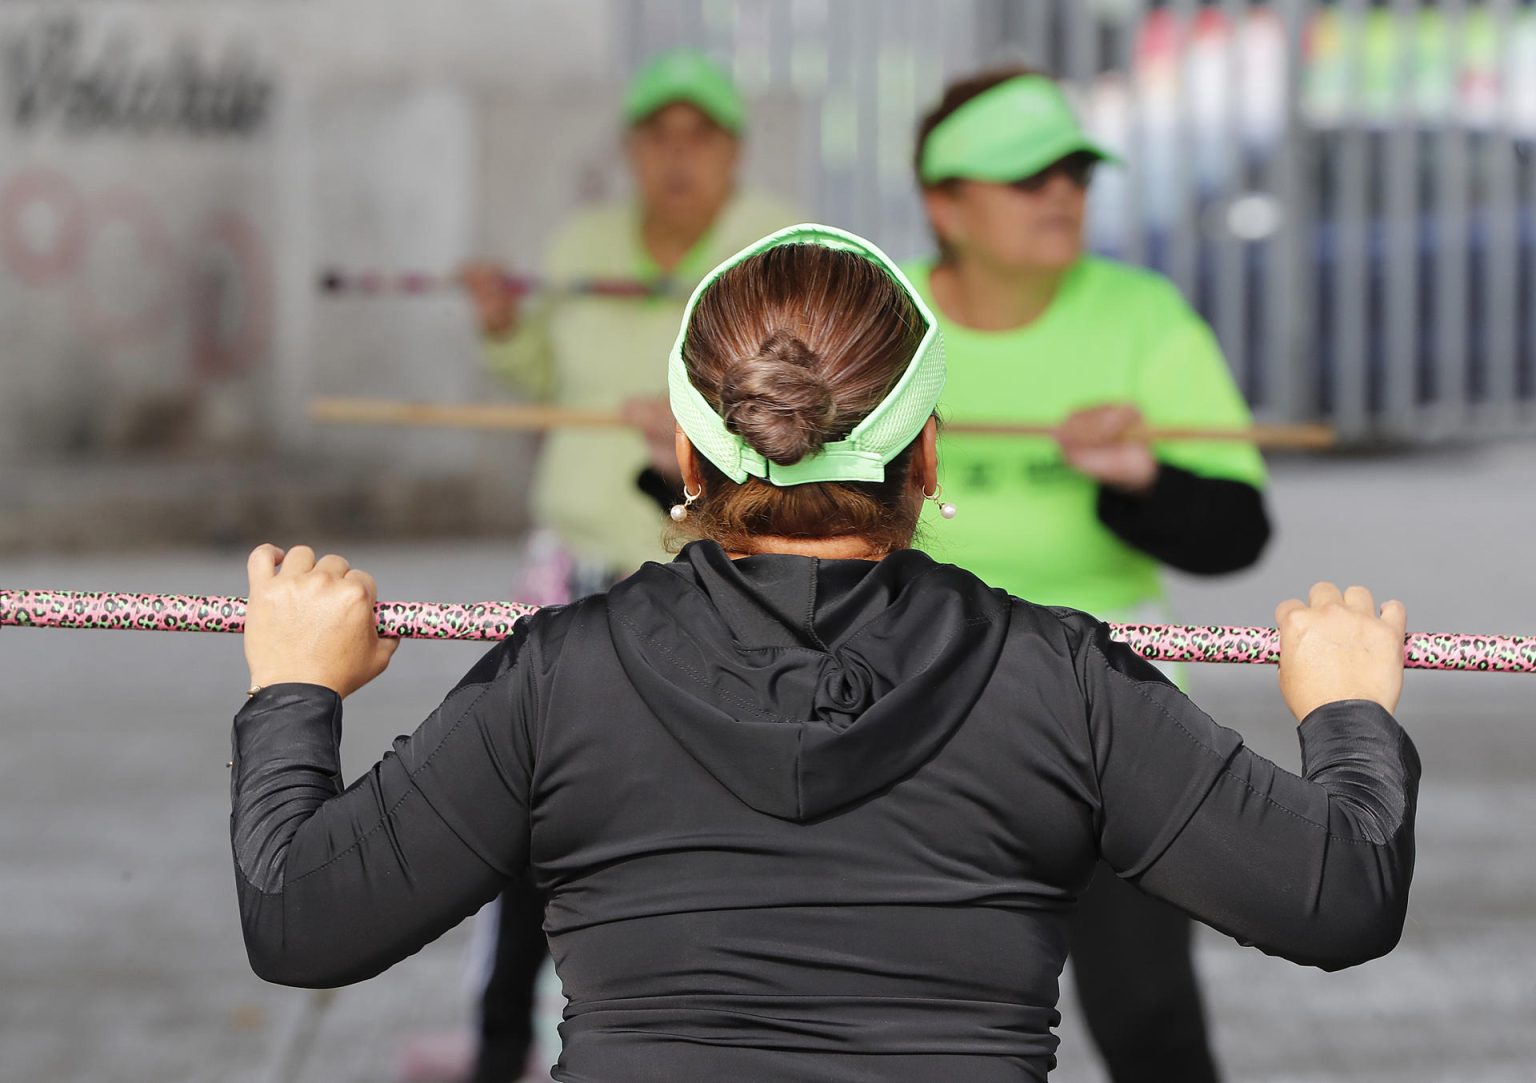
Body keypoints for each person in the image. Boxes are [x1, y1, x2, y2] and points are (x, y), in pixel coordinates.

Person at [231, 224, 1420, 1083]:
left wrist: (295, 686)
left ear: (690, 465)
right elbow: (1340, 898)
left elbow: (303, 923)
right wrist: (1347, 708)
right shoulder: (1064, 682)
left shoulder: (557, 678)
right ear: (929, 460)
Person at [906, 68, 1271, 1081]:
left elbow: (1235, 531)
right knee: (926, 1027)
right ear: (945, 203)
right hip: (911, 708)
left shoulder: (1140, 316)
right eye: (1027, 175)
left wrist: (1142, 480)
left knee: (1149, 1018)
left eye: (1074, 169)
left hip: (1117, 710)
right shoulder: (878, 320)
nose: (1060, 192)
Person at [454, 48, 799, 1079]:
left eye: (702, 137)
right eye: (660, 137)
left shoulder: (776, 248)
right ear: (634, 150)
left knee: (697, 809)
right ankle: (500, 1044)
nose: (679, 158)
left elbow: (804, 409)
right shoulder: (583, 242)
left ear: (734, 150)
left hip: (710, 565)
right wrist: (507, 329)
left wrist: (705, 436)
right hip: (567, 561)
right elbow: (539, 375)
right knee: (524, 805)